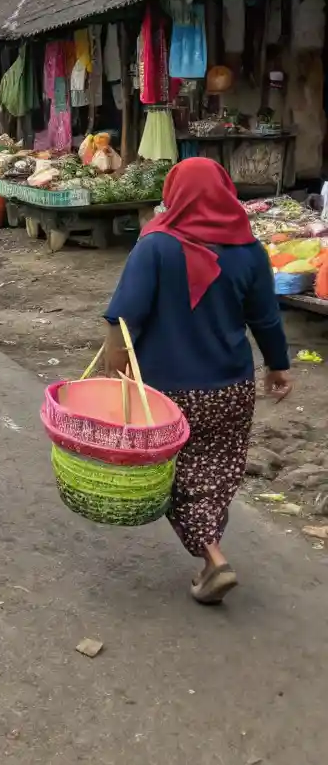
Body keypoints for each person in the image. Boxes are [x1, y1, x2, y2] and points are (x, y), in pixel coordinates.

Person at [104, 157, 292, 605]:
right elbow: (266, 318)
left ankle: (213, 557)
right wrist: (278, 367)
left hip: (166, 392)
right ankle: (211, 557)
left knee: (170, 477)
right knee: (212, 473)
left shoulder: (155, 246)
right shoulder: (249, 249)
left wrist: (117, 370)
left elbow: (122, 318)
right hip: (231, 388)